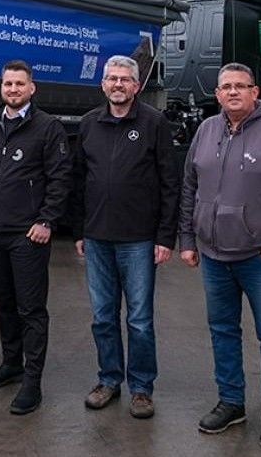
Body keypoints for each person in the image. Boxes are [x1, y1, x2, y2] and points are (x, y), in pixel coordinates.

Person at [178, 62, 261, 450]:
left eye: (241, 86)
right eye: (226, 87)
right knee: (222, 332)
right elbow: (190, 186)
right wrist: (187, 238)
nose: (233, 92)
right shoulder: (206, 130)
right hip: (213, 256)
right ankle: (231, 402)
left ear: (255, 92)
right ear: (217, 94)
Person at [70, 55, 180, 419]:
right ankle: (109, 380)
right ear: (102, 85)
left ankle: (142, 388)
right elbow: (77, 182)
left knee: (139, 320)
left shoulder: (154, 123)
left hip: (139, 240)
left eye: (125, 79)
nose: (118, 84)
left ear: (136, 86)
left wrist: (165, 236)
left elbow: (170, 183)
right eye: (111, 79)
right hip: (97, 238)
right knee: (102, 317)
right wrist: (79, 231)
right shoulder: (88, 124)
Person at [0, 60, 72, 415]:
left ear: (31, 88)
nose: (13, 89)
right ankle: (11, 364)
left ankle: (32, 382)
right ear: (1, 88)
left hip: (28, 236)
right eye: (8, 84)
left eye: (19, 84)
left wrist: (46, 221)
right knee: (5, 305)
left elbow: (60, 180)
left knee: (31, 310)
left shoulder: (47, 128)